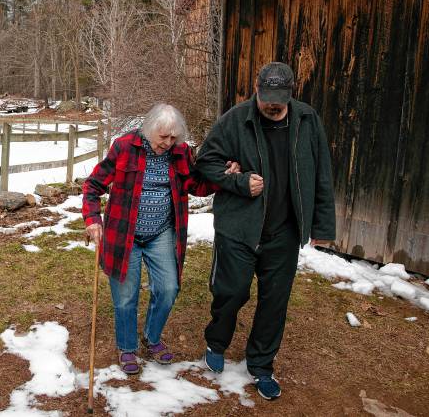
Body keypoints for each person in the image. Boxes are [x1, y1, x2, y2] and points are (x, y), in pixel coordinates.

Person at [195, 62, 336, 400]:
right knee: (231, 291)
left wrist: (323, 225)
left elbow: (322, 174)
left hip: (284, 230)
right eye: (267, 97)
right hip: (239, 228)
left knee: (274, 302)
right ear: (256, 88)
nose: (273, 105)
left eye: (280, 99)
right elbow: (205, 161)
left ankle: (260, 364)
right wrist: (239, 181)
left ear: (291, 92)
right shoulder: (236, 119)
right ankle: (216, 343)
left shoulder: (307, 120)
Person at [82, 103, 239, 376]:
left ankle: (151, 338)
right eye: (163, 137)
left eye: (173, 138)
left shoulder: (181, 152)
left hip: (161, 233)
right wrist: (93, 220)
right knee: (125, 297)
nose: (168, 143)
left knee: (168, 288)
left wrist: (222, 177)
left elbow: (196, 186)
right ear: (148, 130)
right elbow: (93, 185)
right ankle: (127, 347)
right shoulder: (123, 147)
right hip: (124, 235)